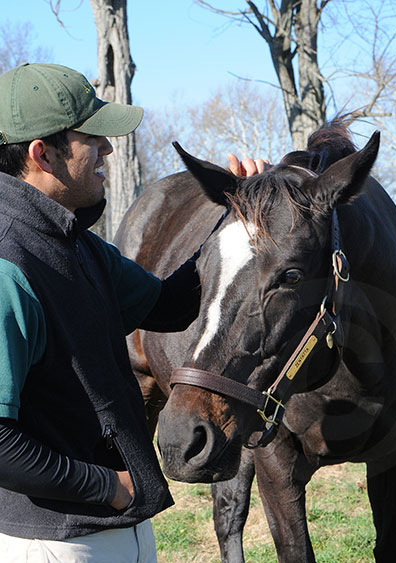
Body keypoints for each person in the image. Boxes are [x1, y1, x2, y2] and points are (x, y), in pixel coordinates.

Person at [0, 62, 268, 562]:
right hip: (56, 543)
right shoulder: (7, 263)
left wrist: (235, 220)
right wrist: (108, 486)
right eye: (93, 138)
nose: (107, 148)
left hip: (113, 529)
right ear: (43, 154)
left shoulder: (71, 242)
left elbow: (172, 303)